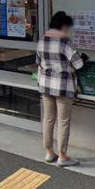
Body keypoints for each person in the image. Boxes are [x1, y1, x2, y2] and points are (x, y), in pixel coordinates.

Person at [36, 11, 87, 167]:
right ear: (63, 26)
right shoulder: (65, 42)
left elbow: (38, 61)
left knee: (48, 119)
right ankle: (63, 156)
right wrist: (84, 58)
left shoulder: (42, 40)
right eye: (67, 27)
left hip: (46, 85)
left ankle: (49, 152)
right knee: (63, 121)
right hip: (63, 87)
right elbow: (79, 64)